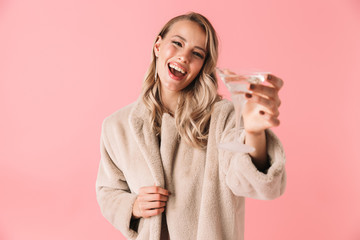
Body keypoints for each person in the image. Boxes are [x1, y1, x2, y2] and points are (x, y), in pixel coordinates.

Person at [96, 12, 286, 240]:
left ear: (202, 66)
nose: (184, 57)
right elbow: (107, 191)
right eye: (177, 43)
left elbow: (257, 183)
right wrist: (133, 206)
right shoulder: (116, 126)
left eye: (197, 53)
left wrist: (254, 132)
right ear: (158, 46)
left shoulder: (222, 117)